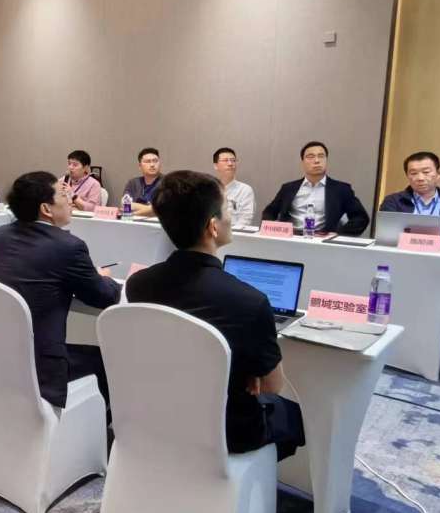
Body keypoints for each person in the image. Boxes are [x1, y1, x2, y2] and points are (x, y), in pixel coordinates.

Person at [126, 170, 305, 461]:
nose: (230, 218)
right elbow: (272, 386)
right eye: (227, 209)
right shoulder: (251, 301)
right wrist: (246, 369)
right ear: (213, 226)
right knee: (292, 414)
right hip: (227, 430)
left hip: (157, 414)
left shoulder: (138, 284)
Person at [0, 171, 121, 410]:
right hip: (42, 365)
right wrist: (103, 277)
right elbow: (106, 297)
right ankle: (99, 427)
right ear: (46, 208)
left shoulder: (0, 235)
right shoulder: (68, 247)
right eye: (64, 195)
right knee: (108, 360)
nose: (70, 201)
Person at [261, 141, 369, 236]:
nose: (317, 161)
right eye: (311, 157)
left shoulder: (341, 189)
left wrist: (339, 235)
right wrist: (274, 231)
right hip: (291, 238)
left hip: (322, 241)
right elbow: (269, 211)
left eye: (321, 156)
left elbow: (361, 217)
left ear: (326, 160)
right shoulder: (288, 188)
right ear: (303, 163)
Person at [380, 152, 440, 228]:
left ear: (439, 173)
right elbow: (387, 230)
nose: (420, 178)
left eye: (426, 172)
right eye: (413, 173)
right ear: (407, 175)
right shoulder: (393, 201)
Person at [212, 147, 255, 228]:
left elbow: (245, 219)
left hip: (235, 233)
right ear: (216, 166)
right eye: (225, 160)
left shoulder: (245, 190)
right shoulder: (209, 189)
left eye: (233, 160)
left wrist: (228, 233)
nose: (230, 164)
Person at [122, 148, 162, 218]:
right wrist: (150, 209)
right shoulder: (133, 183)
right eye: (147, 161)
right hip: (135, 221)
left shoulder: (168, 182)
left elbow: (162, 209)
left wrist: (133, 212)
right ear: (140, 166)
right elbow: (124, 203)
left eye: (155, 161)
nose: (152, 165)